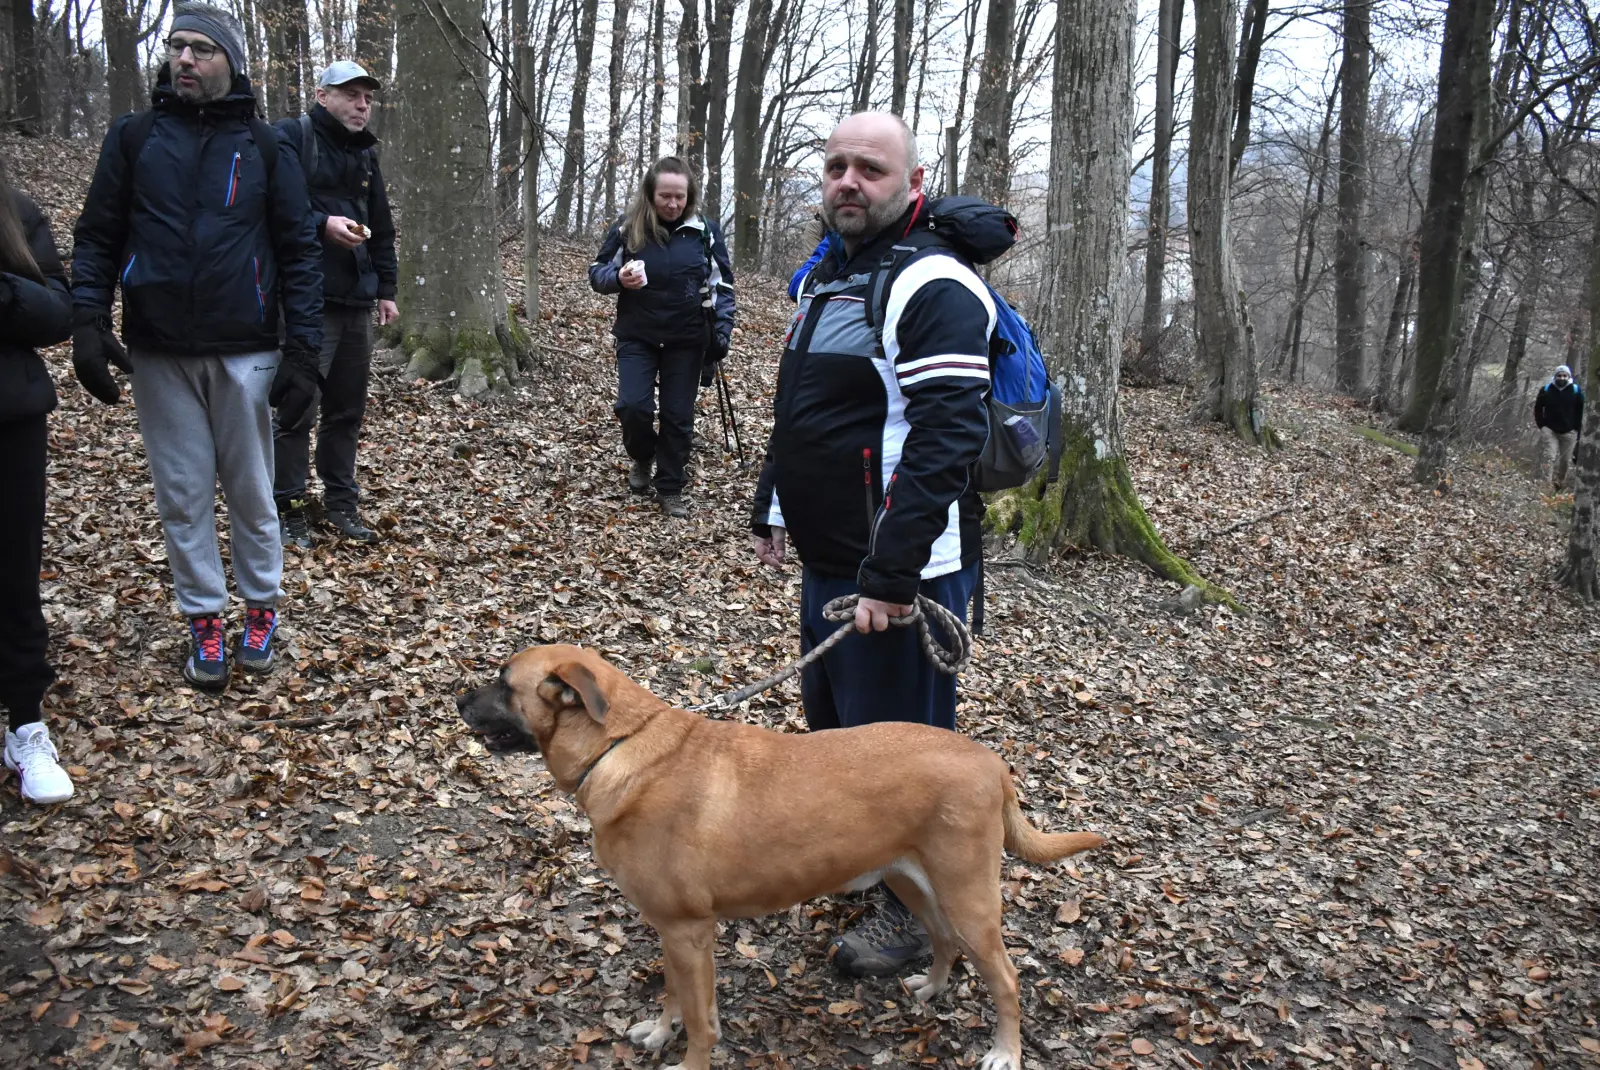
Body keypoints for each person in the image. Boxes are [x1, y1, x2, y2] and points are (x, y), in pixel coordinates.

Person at [749, 112, 993, 978]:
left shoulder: (933, 284)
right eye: (836, 166)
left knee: (901, 756)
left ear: (912, 184)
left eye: (872, 170)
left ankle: (918, 913)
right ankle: (871, 865)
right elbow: (808, 409)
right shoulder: (832, 276)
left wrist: (891, 575)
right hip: (833, 559)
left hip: (902, 575)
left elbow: (946, 438)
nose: (849, 182)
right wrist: (773, 507)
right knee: (840, 737)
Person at [70, 2, 323, 691]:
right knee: (181, 495)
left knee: (250, 492)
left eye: (200, 50)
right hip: (158, 350)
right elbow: (97, 235)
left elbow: (300, 251)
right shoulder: (134, 137)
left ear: (230, 62)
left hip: (246, 349)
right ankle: (204, 616)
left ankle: (261, 607)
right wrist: (88, 320)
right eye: (176, 46)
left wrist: (303, 353)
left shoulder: (268, 146)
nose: (183, 59)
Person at [272, 60, 398, 548]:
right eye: (351, 94)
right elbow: (274, 208)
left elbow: (382, 225)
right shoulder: (291, 138)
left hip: (356, 303)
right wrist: (322, 223)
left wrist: (386, 288)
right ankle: (290, 509)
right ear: (322, 96)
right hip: (305, 302)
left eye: (367, 97)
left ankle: (342, 505)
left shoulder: (367, 156)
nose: (362, 105)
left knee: (346, 411)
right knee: (296, 409)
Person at [588, 157, 735, 518]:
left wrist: (722, 333)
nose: (672, 204)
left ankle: (670, 487)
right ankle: (642, 455)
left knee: (678, 416)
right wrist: (618, 278)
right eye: (665, 196)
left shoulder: (706, 232)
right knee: (633, 407)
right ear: (650, 195)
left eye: (679, 197)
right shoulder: (628, 228)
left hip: (687, 339)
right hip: (638, 335)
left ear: (690, 197)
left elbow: (724, 286)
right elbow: (597, 271)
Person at [0, 156, 76, 804]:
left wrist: (3, 291)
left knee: (14, 574)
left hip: (9, 419)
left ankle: (26, 724)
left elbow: (59, 310)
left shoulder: (16, 210)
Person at [1533, 364, 1583, 490]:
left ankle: (1559, 483)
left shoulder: (1576, 391)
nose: (1562, 378)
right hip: (1550, 430)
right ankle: (1546, 485)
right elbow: (1538, 408)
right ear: (1555, 376)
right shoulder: (1546, 389)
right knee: (1549, 456)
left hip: (1569, 432)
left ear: (1569, 376)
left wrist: (1577, 429)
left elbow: (1581, 411)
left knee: (1565, 461)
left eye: (1564, 375)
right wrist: (1542, 425)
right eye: (1559, 375)